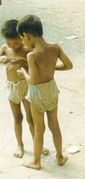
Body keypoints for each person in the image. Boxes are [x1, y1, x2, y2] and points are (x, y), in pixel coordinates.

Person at [17, 15, 73, 169]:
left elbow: (33, 80)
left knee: (39, 129)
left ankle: (36, 162)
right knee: (55, 125)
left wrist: (23, 72)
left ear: (27, 36)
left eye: (22, 39)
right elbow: (69, 65)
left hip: (37, 94)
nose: (23, 43)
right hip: (52, 90)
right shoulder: (55, 47)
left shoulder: (32, 55)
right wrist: (53, 68)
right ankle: (60, 157)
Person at [0, 19, 49, 158]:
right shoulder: (4, 49)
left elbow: (36, 68)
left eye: (16, 42)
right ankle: (20, 144)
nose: (13, 46)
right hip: (12, 87)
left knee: (31, 118)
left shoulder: (27, 49)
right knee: (17, 118)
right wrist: (0, 60)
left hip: (27, 86)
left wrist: (23, 62)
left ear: (22, 37)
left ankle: (38, 144)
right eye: (9, 43)